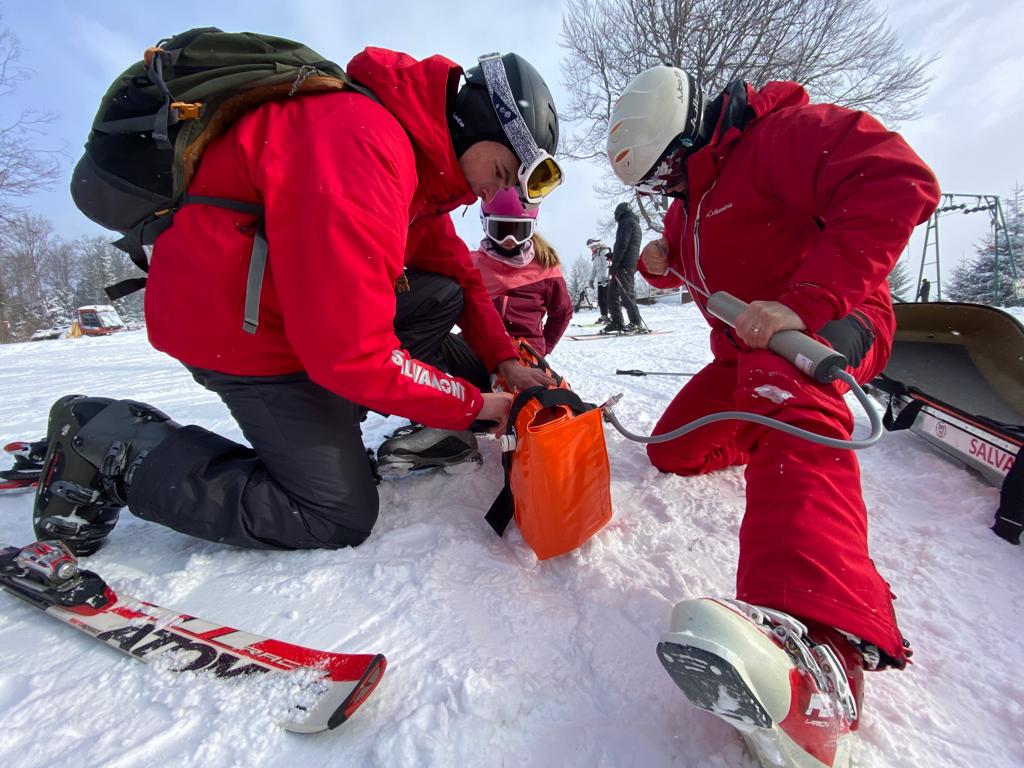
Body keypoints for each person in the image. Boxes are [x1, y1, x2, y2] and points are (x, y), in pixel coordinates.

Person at [32, 48, 564, 556]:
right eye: (499, 173)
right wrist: (475, 407)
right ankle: (106, 443)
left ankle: (338, 406)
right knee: (334, 513)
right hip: (237, 330)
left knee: (441, 294)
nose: (489, 194)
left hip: (292, 315)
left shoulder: (417, 166)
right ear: (474, 125)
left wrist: (503, 360)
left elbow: (460, 277)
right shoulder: (362, 147)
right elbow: (352, 353)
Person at [607, 65, 939, 766]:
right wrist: (660, 264)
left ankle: (819, 644)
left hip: (830, 319)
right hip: (746, 352)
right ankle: (771, 435)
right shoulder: (688, 199)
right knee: (672, 447)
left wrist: (805, 302)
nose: (663, 186)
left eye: (665, 168)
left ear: (688, 131)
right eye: (654, 181)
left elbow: (897, 178)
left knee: (782, 385)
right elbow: (689, 263)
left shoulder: (782, 136)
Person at [469, 188, 572, 356]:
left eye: (519, 230)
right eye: (500, 230)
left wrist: (541, 350)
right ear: (485, 223)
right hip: (478, 350)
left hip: (524, 353)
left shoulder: (545, 267)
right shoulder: (471, 264)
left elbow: (562, 312)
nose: (510, 240)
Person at [601, 201, 645, 333]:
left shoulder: (626, 222)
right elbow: (626, 245)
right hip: (623, 263)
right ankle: (617, 322)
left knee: (626, 294)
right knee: (612, 295)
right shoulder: (631, 222)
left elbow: (622, 244)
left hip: (625, 265)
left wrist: (615, 263)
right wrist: (613, 256)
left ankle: (636, 323)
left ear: (619, 213)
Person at [586, 237, 612, 323]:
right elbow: (594, 269)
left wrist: (605, 277)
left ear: (597, 245)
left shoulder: (604, 251)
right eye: (590, 248)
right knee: (601, 300)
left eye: (592, 247)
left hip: (607, 279)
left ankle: (613, 316)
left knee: (608, 298)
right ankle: (604, 316)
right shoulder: (595, 255)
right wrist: (591, 280)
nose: (591, 249)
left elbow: (607, 264)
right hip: (600, 280)